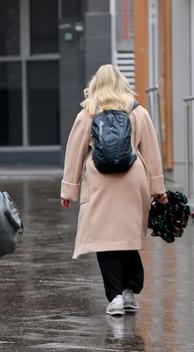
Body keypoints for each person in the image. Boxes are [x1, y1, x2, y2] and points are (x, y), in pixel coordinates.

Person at [61, 64, 168, 316]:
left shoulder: (87, 113)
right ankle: (131, 292)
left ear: (95, 85)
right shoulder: (137, 111)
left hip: (100, 183)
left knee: (105, 240)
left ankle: (116, 298)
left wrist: (69, 190)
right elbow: (151, 152)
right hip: (134, 181)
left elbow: (74, 153)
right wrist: (158, 190)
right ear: (122, 84)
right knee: (128, 237)